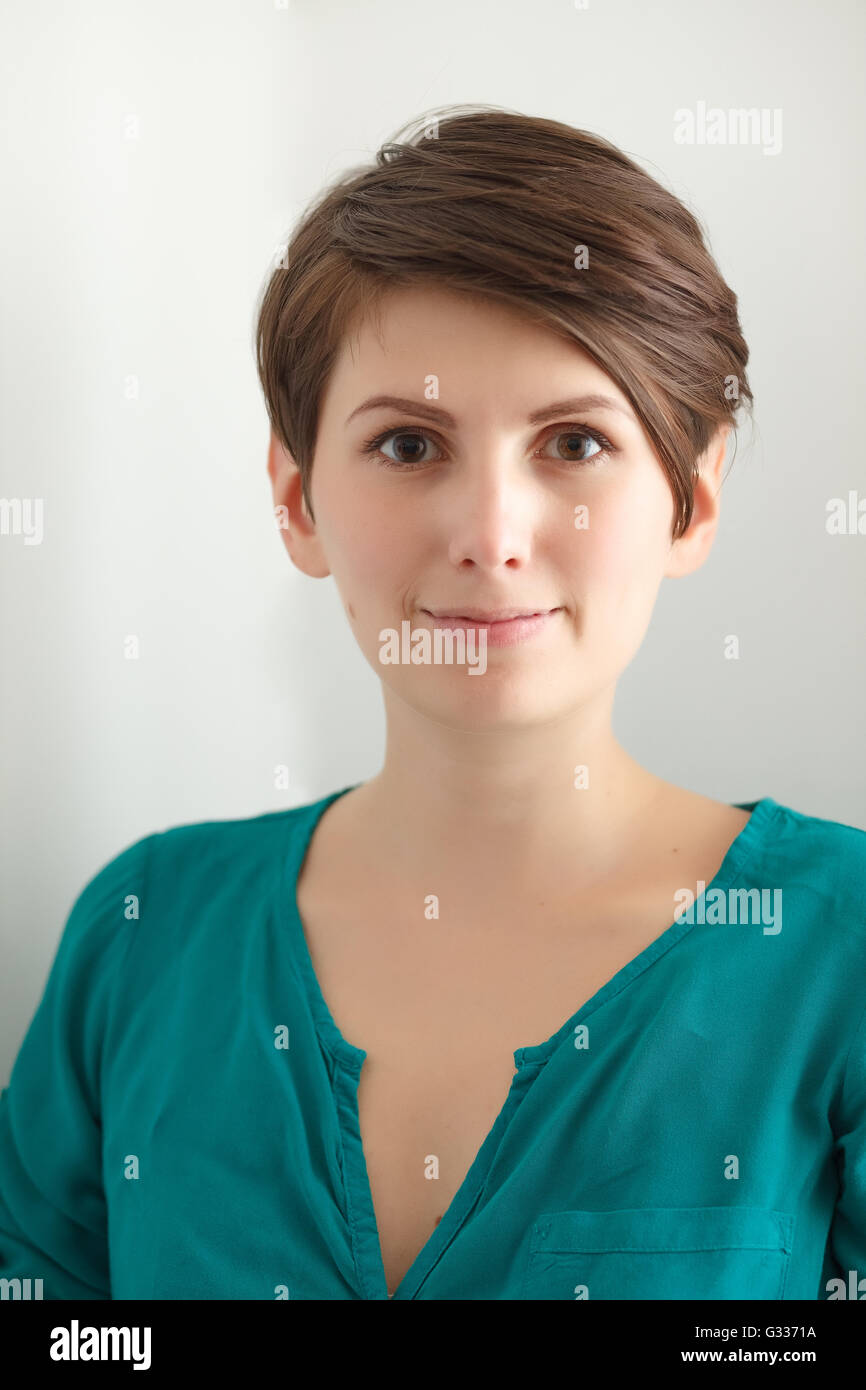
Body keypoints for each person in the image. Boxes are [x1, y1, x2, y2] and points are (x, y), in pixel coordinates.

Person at [1, 105, 863, 1302]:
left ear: (689, 501)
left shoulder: (837, 949)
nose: (488, 538)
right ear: (297, 499)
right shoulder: (143, 932)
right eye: (409, 446)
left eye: (571, 442)